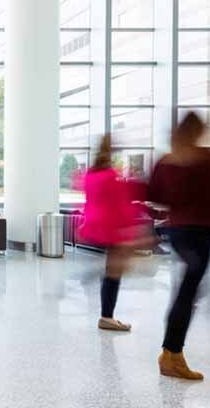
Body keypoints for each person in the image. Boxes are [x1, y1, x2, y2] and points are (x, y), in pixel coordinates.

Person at [148, 112, 210, 381]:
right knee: (188, 291)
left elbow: (154, 195)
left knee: (187, 289)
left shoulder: (166, 160)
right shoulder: (205, 158)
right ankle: (171, 354)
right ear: (197, 131)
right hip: (201, 231)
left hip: (178, 230)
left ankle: (171, 353)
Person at [79, 134, 146, 332]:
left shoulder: (91, 174)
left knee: (113, 268)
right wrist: (132, 230)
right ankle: (107, 316)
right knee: (115, 270)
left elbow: (91, 200)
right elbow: (120, 205)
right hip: (111, 226)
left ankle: (106, 314)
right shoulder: (110, 175)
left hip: (94, 223)